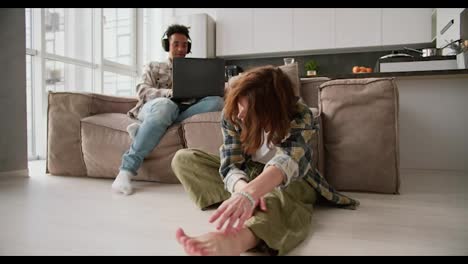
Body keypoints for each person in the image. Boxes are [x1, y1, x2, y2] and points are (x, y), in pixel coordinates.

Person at [171, 65, 359, 256]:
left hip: (290, 179)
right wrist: (245, 191)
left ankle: (238, 239)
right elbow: (230, 164)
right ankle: (253, 202)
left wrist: (252, 192)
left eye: (248, 108)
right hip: (248, 176)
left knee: (283, 192)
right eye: (239, 105)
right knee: (184, 159)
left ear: (269, 109)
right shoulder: (233, 113)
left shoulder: (300, 115)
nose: (241, 113)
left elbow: (288, 161)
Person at [112, 24, 224, 195]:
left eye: (184, 45)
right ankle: (126, 171)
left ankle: (146, 129)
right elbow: (142, 90)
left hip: (183, 111)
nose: (180, 49)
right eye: (176, 44)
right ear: (167, 45)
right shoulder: (154, 66)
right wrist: (169, 93)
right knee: (166, 105)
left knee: (216, 101)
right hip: (154, 107)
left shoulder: (195, 71)